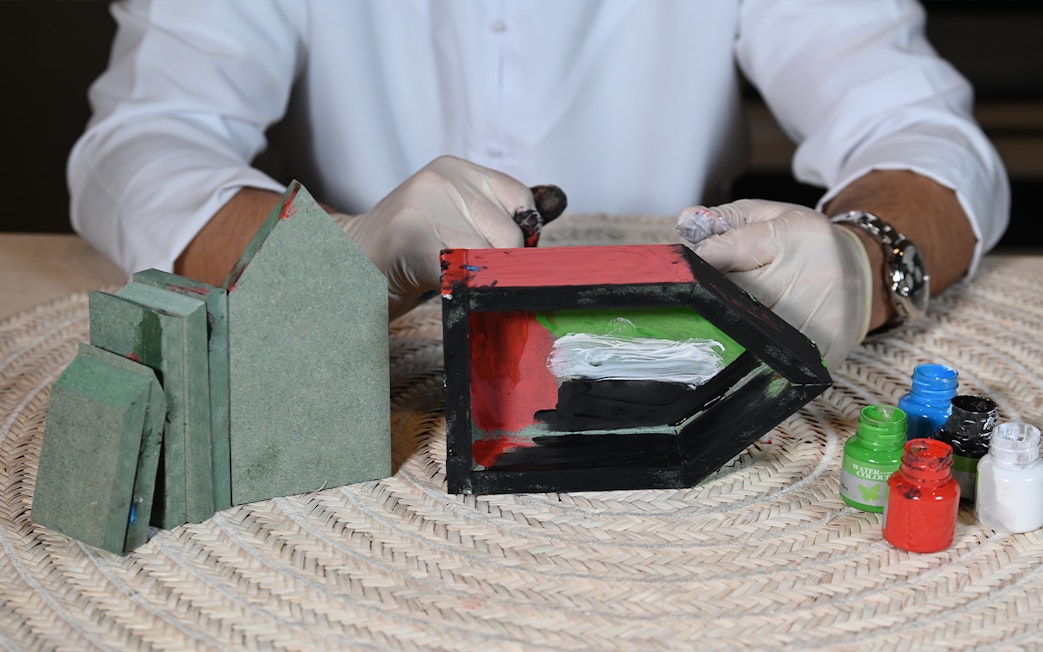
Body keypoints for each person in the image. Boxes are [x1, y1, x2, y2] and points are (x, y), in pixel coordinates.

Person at [67, 1, 1009, 372]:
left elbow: (919, 131)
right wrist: (327, 258)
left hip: (670, 343)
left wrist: (865, 260)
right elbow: (143, 141)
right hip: (389, 364)